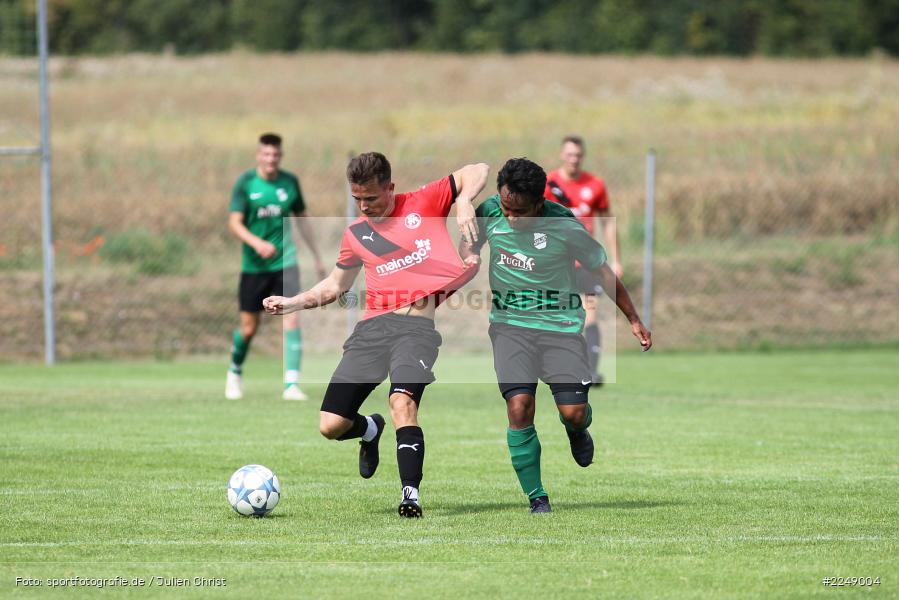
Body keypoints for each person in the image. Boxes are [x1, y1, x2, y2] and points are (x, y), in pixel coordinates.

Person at [263, 152, 488, 517]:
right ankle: (369, 429)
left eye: (371, 198)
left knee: (403, 403)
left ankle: (410, 495)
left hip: (416, 330)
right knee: (331, 426)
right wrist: (294, 302)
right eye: (357, 200)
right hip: (371, 330)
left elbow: (478, 169)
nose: (364, 206)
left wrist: (464, 200)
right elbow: (336, 285)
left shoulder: (424, 201)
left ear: (391, 188)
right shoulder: (356, 235)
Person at [465, 157, 651, 514]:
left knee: (574, 412)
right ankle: (537, 496)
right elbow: (467, 243)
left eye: (519, 211)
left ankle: (577, 430)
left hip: (560, 329)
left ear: (539, 203)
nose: (510, 217)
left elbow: (603, 273)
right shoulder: (489, 211)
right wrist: (467, 252)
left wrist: (633, 318)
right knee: (519, 407)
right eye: (506, 208)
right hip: (509, 327)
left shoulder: (565, 226)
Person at [226, 133, 326, 401]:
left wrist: (317, 255)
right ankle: (235, 372)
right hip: (254, 266)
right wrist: (256, 243)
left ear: (281, 155)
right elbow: (234, 223)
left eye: (276, 154)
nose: (271, 159)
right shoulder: (246, 183)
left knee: (291, 316)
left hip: (286, 263)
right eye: (267, 154)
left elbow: (302, 219)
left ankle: (291, 384)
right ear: (259, 155)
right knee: (248, 328)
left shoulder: (290, 182)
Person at [544, 135, 621, 385]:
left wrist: (616, 259)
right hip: (556, 261)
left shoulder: (595, 185)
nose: (573, 159)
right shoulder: (548, 183)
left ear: (582, 156)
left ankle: (590, 372)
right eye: (569, 154)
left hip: (586, 261)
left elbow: (608, 222)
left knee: (591, 313)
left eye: (578, 155)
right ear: (561, 155)